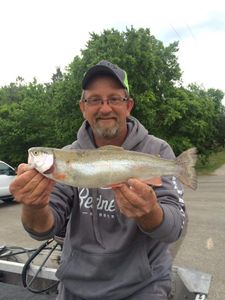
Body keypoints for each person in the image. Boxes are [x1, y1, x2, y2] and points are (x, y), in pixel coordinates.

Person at [10, 60, 186, 300]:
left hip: (144, 288)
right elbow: (42, 230)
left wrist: (150, 213)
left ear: (129, 105)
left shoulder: (157, 150)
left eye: (114, 98)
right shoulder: (67, 157)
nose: (105, 108)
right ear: (83, 107)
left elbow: (176, 228)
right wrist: (34, 205)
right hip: (75, 288)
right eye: (94, 100)